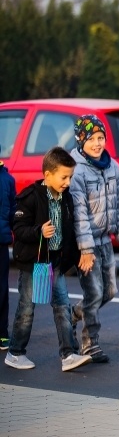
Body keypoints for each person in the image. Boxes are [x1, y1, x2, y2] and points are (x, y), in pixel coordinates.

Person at [5, 147, 92, 372]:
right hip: (33, 263)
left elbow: (70, 230)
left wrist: (77, 254)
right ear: (47, 175)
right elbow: (18, 227)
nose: (67, 182)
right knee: (26, 308)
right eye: (63, 177)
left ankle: (68, 354)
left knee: (62, 306)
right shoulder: (30, 197)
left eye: (70, 177)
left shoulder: (67, 198)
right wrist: (38, 232)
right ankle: (15, 353)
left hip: (55, 261)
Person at [69, 115, 119, 363]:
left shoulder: (113, 167)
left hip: (106, 241)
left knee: (109, 291)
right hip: (85, 245)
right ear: (80, 139)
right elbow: (79, 215)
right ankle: (90, 344)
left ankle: (74, 313)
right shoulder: (75, 170)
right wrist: (85, 249)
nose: (97, 143)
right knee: (94, 293)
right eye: (91, 139)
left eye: (101, 138)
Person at [0, 147, 15, 351]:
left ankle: (2, 332)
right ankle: (2, 333)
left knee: (2, 288)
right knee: (1, 287)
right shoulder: (8, 179)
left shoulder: (7, 179)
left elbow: (12, 210)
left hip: (2, 239)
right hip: (2, 238)